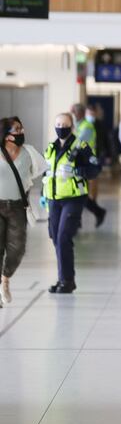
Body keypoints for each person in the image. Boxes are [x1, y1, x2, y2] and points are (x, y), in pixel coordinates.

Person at [43, 113, 101, 294]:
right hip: (53, 199)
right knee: (55, 237)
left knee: (63, 237)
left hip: (73, 199)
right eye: (58, 124)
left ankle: (67, 280)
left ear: (72, 126)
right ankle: (63, 279)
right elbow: (47, 171)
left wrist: (76, 171)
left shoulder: (81, 146)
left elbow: (95, 169)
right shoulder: (51, 148)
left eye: (65, 124)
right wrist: (43, 194)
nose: (61, 127)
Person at [0, 117, 45, 306]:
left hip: (18, 206)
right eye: (16, 129)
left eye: (21, 128)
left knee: (17, 249)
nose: (21, 131)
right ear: (6, 135)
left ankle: (5, 278)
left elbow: (39, 170)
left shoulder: (29, 152)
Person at [71, 103, 107, 227]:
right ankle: (89, 215)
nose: (73, 115)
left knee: (79, 192)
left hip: (85, 162)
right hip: (79, 162)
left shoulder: (87, 126)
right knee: (78, 192)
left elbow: (78, 143)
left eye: (74, 112)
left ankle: (96, 213)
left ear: (81, 113)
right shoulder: (78, 125)